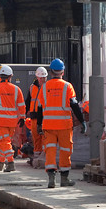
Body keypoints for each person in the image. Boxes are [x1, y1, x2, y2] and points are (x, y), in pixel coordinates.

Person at [35, 58, 85, 188]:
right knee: (65, 150)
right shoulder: (68, 86)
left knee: (50, 151)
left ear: (51, 72)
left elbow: (39, 108)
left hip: (48, 126)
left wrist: (39, 124)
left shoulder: (44, 87)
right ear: (63, 71)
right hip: (64, 125)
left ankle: (51, 179)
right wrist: (82, 121)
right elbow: (74, 105)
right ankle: (64, 179)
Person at [0, 65, 25, 172]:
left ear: (0, 76)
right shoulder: (17, 89)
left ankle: (11, 163)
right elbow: (21, 105)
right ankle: (1, 163)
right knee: (5, 141)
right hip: (12, 121)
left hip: (0, 121)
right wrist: (23, 117)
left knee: (5, 142)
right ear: (10, 76)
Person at [25, 66, 48, 164]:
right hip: (34, 116)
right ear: (37, 77)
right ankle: (37, 157)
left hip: (44, 116)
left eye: (44, 77)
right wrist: (25, 113)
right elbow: (28, 100)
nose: (42, 79)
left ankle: (44, 157)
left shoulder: (48, 87)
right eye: (40, 77)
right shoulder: (32, 87)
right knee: (36, 137)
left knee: (44, 137)